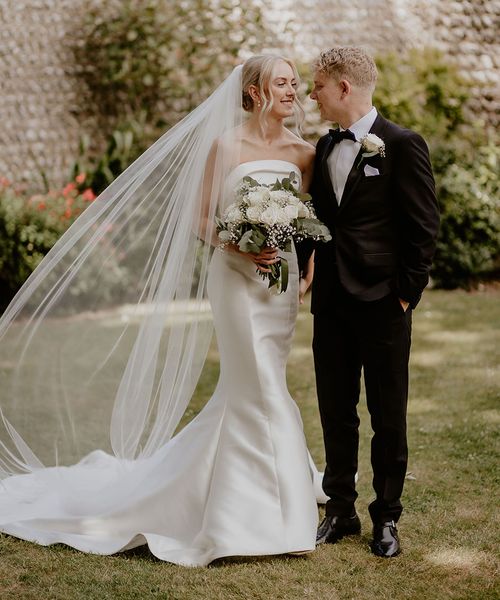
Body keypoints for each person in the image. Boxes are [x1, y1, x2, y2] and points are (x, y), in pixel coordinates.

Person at [0, 55, 325, 566]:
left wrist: (306, 264)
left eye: (295, 84)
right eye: (282, 83)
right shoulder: (226, 146)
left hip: (277, 286)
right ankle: (273, 515)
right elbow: (199, 220)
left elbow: (307, 222)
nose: (294, 91)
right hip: (236, 278)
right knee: (258, 383)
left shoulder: (305, 154)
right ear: (256, 92)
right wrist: (240, 244)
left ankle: (245, 491)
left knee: (261, 384)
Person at [304, 46, 440, 557]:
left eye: (318, 84)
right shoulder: (322, 146)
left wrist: (406, 294)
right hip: (332, 302)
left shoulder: (402, 144)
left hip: (384, 303)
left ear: (344, 87)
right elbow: (319, 218)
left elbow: (423, 226)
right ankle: (339, 510)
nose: (312, 93)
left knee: (388, 415)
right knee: (336, 410)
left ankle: (386, 518)